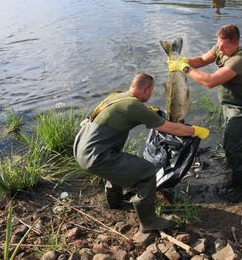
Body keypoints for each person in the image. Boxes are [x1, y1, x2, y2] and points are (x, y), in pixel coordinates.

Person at [73, 73, 210, 232]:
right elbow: (170, 128)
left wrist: (151, 112)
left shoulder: (117, 97)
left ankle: (115, 202)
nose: (150, 95)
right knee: (147, 172)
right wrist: (194, 131)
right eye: (151, 92)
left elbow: (136, 111)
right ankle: (148, 221)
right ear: (146, 89)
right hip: (96, 156)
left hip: (81, 149)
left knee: (116, 166)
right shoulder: (133, 106)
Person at [167, 24, 242, 196]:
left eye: (224, 46)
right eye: (218, 44)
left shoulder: (240, 60)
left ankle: (239, 186)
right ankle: (240, 154)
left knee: (231, 147)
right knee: (236, 139)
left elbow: (210, 81)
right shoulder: (221, 47)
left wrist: (185, 68)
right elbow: (202, 60)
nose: (220, 48)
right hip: (230, 104)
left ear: (236, 43)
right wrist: (180, 61)